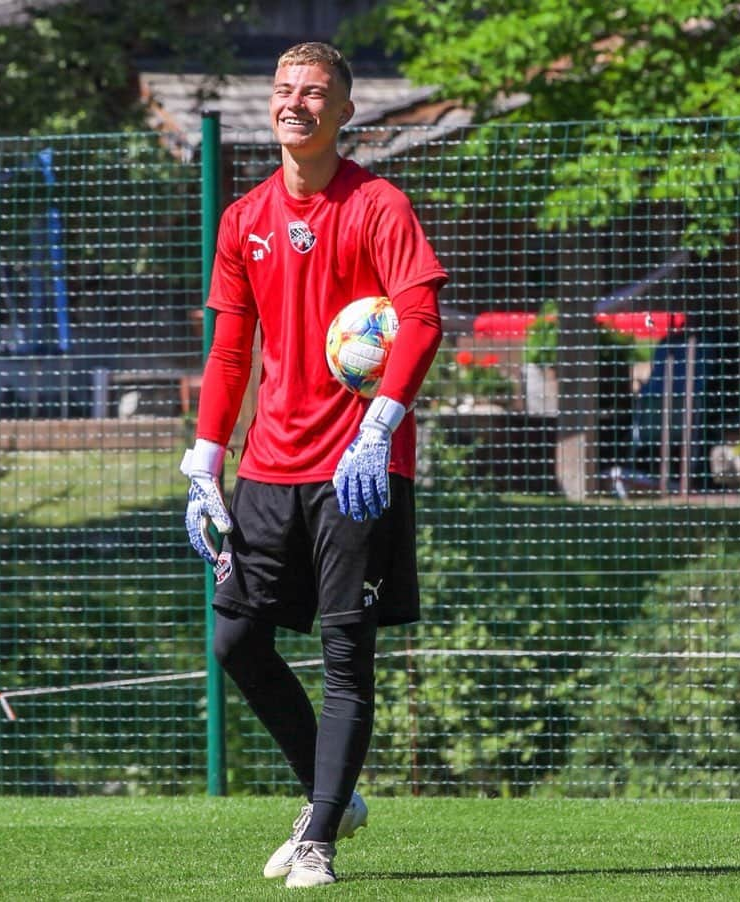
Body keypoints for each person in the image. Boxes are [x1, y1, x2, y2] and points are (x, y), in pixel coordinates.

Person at [181, 41, 446, 888]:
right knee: (235, 637)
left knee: (344, 656)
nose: (295, 102)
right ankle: (333, 795)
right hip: (266, 468)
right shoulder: (242, 220)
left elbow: (423, 320)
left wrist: (381, 428)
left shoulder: (379, 204)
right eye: (284, 89)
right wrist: (204, 461)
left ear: (344, 113)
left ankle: (320, 837)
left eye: (315, 92)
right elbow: (229, 354)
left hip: (357, 471)